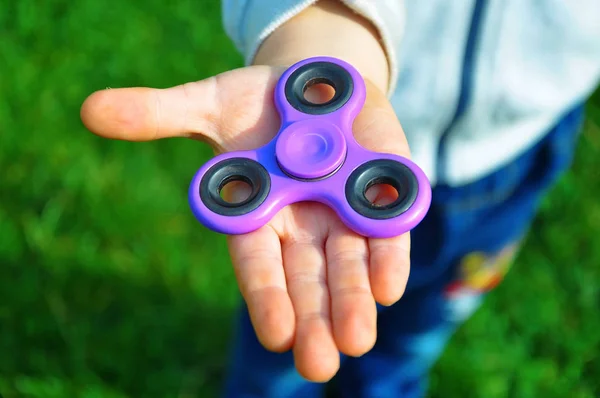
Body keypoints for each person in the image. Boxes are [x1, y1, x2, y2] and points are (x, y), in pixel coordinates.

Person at [80, 1, 600, 397]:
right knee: (287, 341)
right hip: (379, 90)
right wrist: (321, 30)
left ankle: (391, 380)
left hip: (513, 151)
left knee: (420, 327)